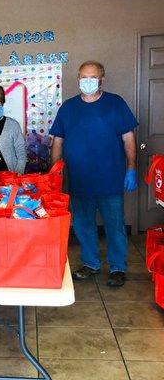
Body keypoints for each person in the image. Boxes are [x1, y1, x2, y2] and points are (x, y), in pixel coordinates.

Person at [50, 61, 138, 287]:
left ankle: (118, 267)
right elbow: (58, 140)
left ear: (101, 79)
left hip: (110, 180)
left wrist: (131, 167)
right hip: (79, 181)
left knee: (115, 226)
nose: (86, 82)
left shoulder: (115, 104)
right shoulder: (68, 108)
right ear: (78, 78)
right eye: (83, 77)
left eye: (92, 77)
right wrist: (55, 172)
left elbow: (128, 137)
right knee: (83, 225)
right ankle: (91, 263)